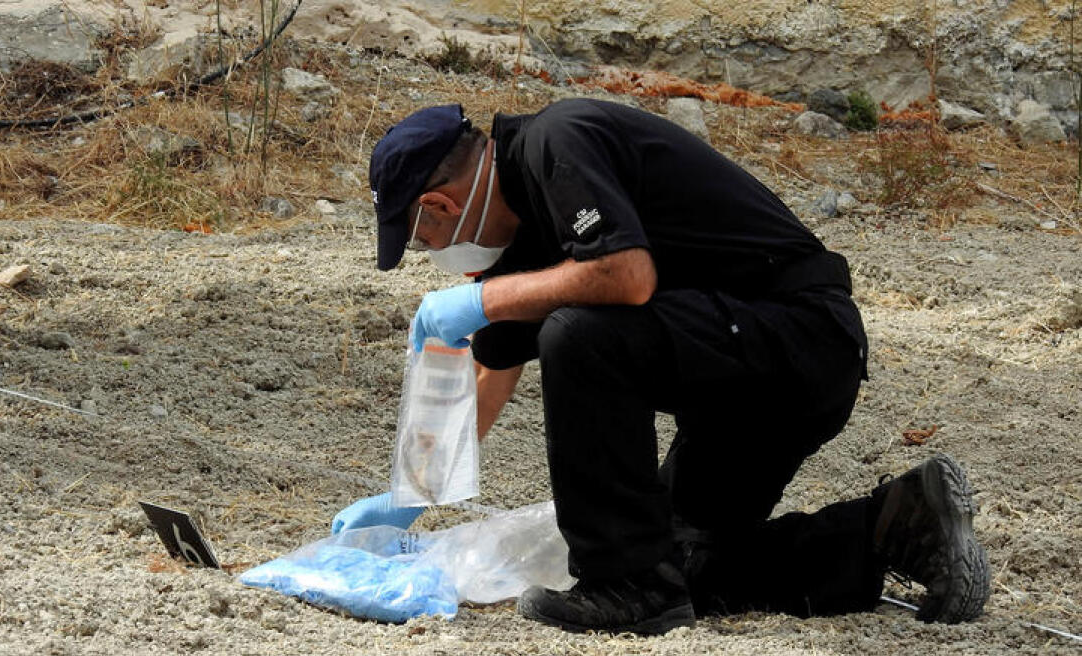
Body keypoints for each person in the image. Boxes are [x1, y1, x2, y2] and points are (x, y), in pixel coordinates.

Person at [331, 99, 990, 634]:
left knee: (578, 334)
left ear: (440, 205)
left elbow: (626, 275)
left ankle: (623, 585)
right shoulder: (525, 238)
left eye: (421, 237)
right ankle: (892, 526)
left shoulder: (557, 143)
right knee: (682, 562)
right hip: (736, 382)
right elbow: (487, 378)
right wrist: (407, 498)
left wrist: (480, 298)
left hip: (799, 337)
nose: (432, 250)